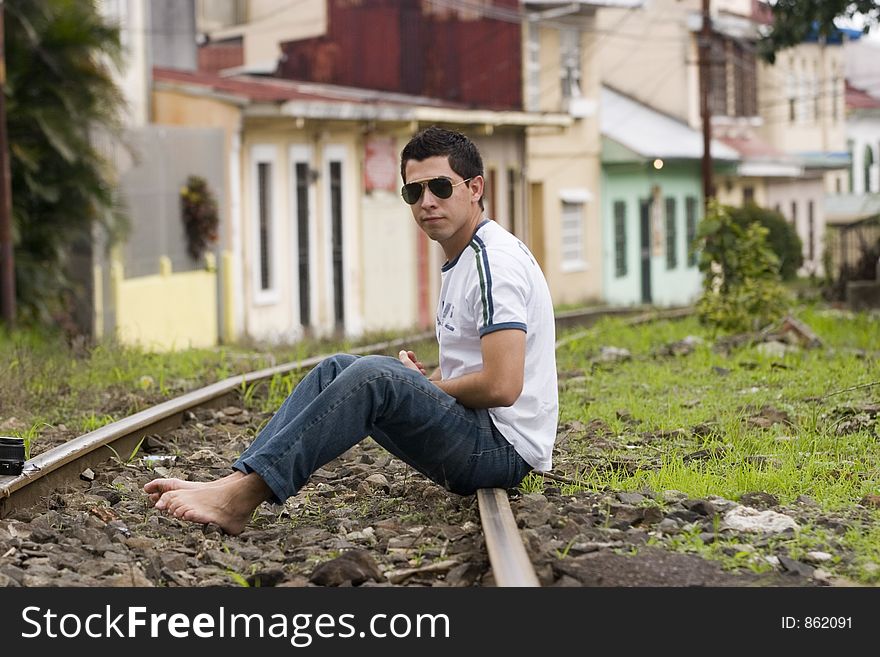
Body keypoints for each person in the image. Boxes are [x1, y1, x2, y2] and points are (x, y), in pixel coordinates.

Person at [144, 126, 558, 535]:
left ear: (475, 188)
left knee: (373, 376)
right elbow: (470, 371)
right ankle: (233, 482)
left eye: (440, 187)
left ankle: (240, 500)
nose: (427, 202)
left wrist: (422, 390)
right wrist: (423, 383)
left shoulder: (493, 264)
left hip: (505, 454)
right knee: (337, 368)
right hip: (480, 432)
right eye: (414, 192)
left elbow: (503, 386)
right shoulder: (463, 258)